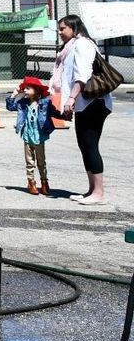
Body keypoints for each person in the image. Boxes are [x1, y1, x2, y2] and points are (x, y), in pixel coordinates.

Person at [51, 14, 112, 205]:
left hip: (93, 102)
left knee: (90, 144)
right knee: (84, 145)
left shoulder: (83, 44)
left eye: (63, 29)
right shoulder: (70, 47)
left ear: (74, 28)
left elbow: (82, 75)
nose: (60, 32)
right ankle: (91, 189)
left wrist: (71, 98)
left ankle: (99, 193)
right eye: (59, 29)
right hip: (83, 103)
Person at [5, 76, 56, 196]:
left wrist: (65, 113)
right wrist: (15, 94)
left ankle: (44, 182)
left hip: (39, 137)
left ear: (37, 91)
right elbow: (10, 106)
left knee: (41, 162)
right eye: (25, 88)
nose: (25, 91)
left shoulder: (44, 104)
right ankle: (31, 182)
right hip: (27, 137)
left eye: (28, 88)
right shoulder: (23, 104)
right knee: (29, 161)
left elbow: (54, 112)